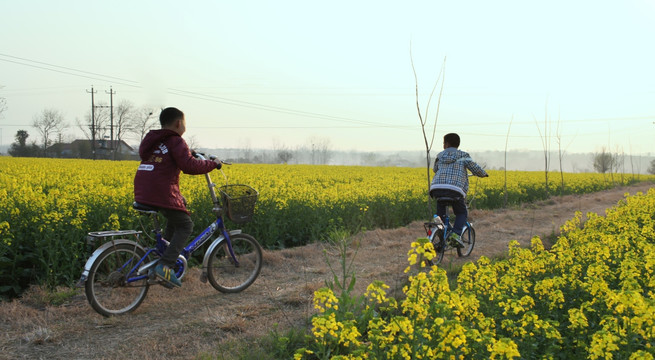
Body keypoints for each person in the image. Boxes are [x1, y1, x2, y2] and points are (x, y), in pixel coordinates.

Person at [133, 107, 221, 287]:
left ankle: (161, 260)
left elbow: (170, 159)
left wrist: (189, 152)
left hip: (143, 189)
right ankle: (166, 265)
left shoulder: (155, 141)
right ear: (179, 123)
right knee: (186, 225)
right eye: (185, 123)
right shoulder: (176, 141)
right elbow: (189, 166)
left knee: (175, 213)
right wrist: (213, 164)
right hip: (159, 191)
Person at [429, 133, 488, 247]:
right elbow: (475, 168)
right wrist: (483, 174)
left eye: (443, 143)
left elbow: (435, 169)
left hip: (437, 188)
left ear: (446, 144)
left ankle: (442, 237)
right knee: (461, 212)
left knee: (440, 217)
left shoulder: (440, 156)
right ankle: (455, 235)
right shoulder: (463, 155)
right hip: (454, 190)